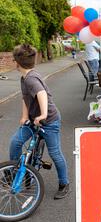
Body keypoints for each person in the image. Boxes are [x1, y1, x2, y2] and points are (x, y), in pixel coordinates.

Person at [9, 44, 70, 199]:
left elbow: (41, 93)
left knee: (55, 153)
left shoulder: (30, 78)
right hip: (32, 120)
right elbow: (26, 98)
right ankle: (15, 173)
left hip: (49, 120)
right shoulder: (25, 77)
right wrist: (24, 116)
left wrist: (42, 115)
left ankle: (64, 183)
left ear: (17, 62)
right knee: (15, 142)